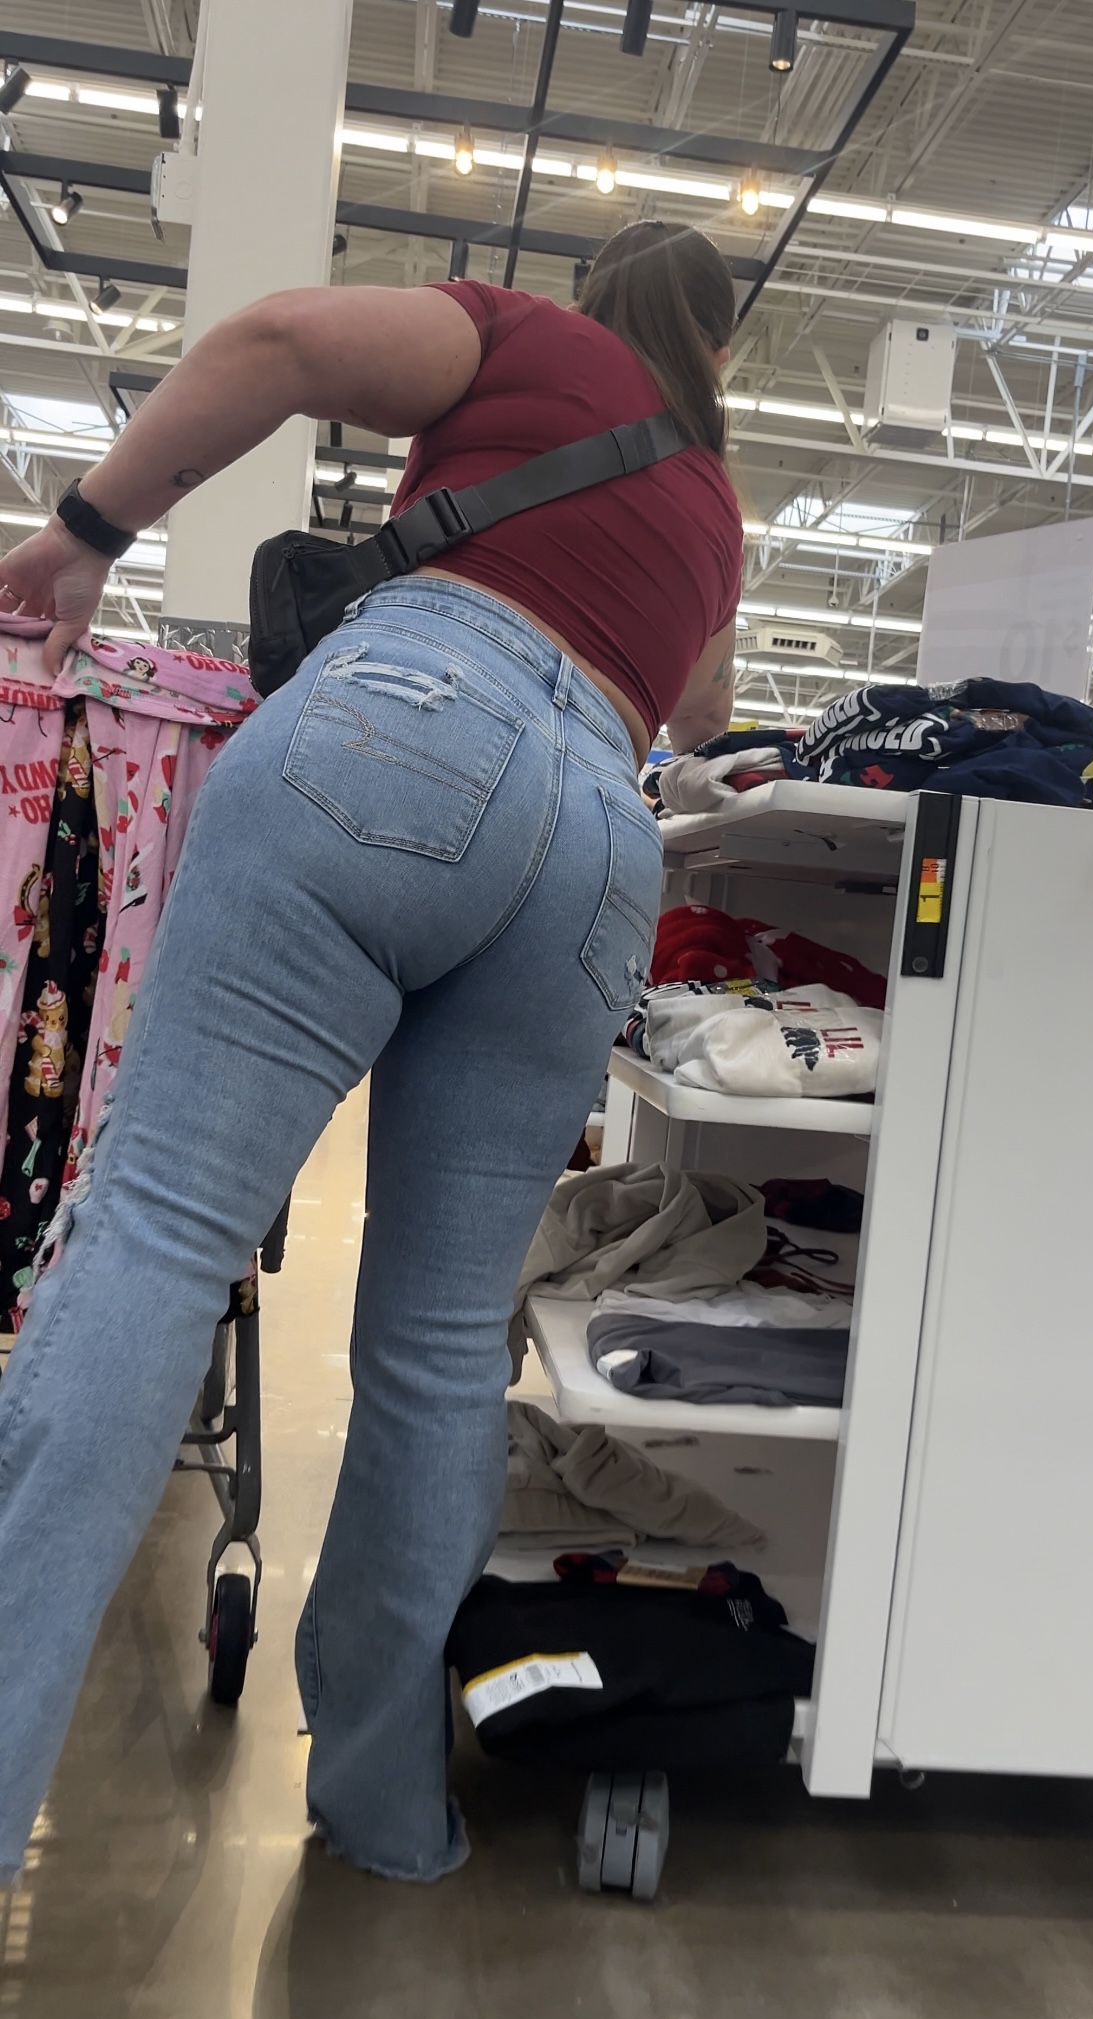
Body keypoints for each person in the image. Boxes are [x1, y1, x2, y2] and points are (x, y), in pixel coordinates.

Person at [0, 221, 743, 1884]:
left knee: (161, 1236)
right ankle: (388, 1809)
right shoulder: (713, 498)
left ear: (597, 296)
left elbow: (275, 344)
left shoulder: (523, 337)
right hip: (596, 844)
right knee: (437, 1351)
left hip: (402, 727)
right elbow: (702, 714)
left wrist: (85, 530)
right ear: (717, 342)